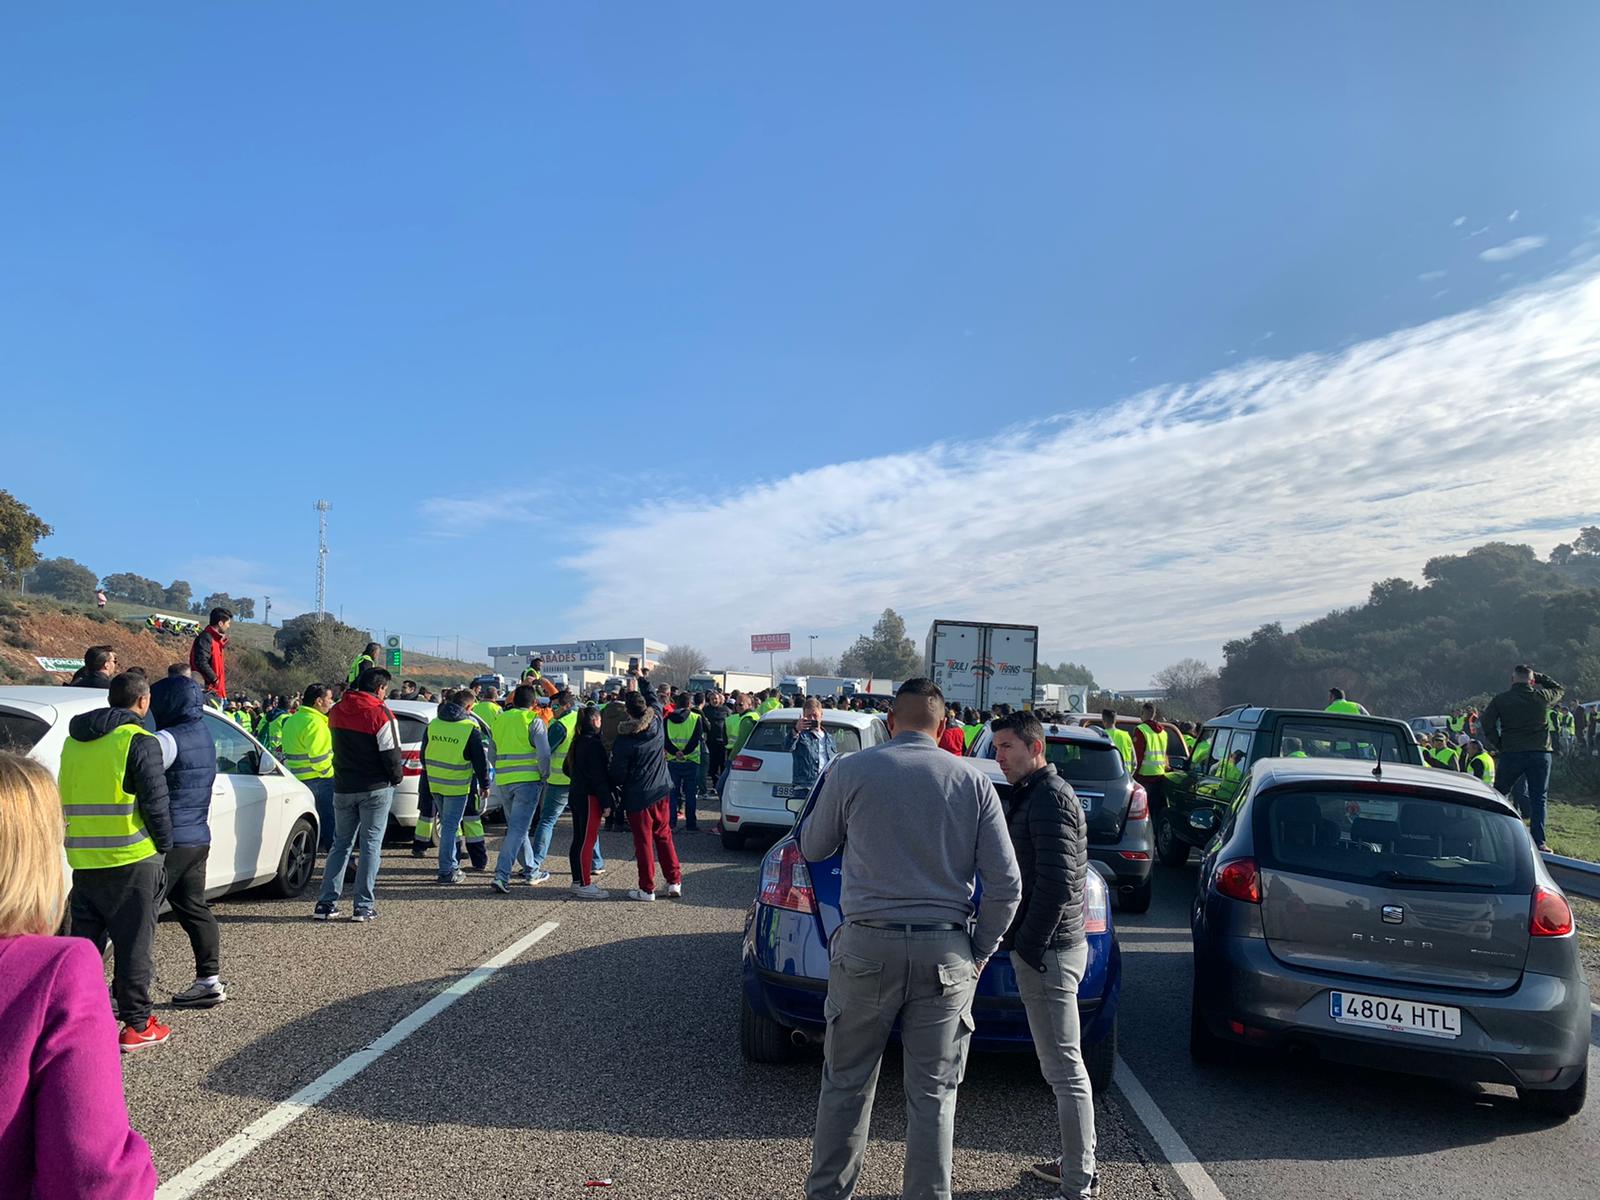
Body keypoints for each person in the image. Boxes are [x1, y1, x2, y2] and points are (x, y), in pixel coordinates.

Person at [798, 678, 1021, 1200]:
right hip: (944, 952)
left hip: (866, 945)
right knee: (934, 1096)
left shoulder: (850, 770)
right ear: (944, 727)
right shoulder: (972, 782)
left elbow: (812, 846)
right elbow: (1008, 884)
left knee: (846, 1085)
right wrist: (979, 949)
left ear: (890, 722)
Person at [0, 752, 159, 1196]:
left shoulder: (77, 744)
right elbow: (91, 1176)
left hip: (98, 868)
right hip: (133, 858)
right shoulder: (56, 971)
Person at [990, 711, 1097, 1198]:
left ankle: (1079, 1180)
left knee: (1064, 1070)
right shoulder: (1034, 795)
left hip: (1050, 952)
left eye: (1007, 746)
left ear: (1035, 748)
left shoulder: (1049, 798)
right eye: (996, 748)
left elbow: (1057, 884)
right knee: (1059, 1068)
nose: (1000, 756)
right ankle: (1075, 1164)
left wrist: (1028, 947)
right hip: (1047, 949)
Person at [59, 671, 174, 1051]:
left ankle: (75, 1016)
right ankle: (137, 1023)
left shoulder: (74, 742)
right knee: (133, 945)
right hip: (132, 858)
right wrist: (165, 846)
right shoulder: (139, 740)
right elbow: (156, 803)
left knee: (84, 946)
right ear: (143, 702)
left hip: (85, 858)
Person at [149, 671, 226, 1009]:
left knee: (142, 915)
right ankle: (209, 981)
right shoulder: (203, 734)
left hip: (170, 840)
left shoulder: (167, 739)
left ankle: (127, 991)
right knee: (194, 908)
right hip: (197, 836)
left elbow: (145, 781)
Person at [313, 668, 403, 921]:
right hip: (375, 787)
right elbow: (391, 754)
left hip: (343, 786)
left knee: (340, 844)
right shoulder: (381, 713)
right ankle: (363, 905)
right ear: (380, 689)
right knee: (370, 845)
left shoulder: (337, 709)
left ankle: (326, 902)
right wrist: (395, 779)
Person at [609, 668, 682, 901]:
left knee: (643, 843)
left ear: (628, 713)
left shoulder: (625, 740)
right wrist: (641, 677)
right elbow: (653, 697)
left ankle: (647, 888)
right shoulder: (658, 721)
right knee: (664, 836)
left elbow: (617, 774)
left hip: (638, 796)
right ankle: (674, 881)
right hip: (661, 789)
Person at [1479, 665, 1564, 852]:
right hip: (1539, 752)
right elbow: (1559, 689)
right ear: (1532, 681)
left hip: (1512, 752)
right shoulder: (1541, 697)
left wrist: (1499, 743)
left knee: (1500, 794)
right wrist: (1540, 677)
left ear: (1512, 680)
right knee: (1538, 798)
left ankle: (1497, 836)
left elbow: (1486, 722)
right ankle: (1539, 842)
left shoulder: (1501, 700)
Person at [417, 689, 490, 884]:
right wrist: (485, 785)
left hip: (435, 784)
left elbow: (423, 756)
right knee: (450, 828)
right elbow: (480, 763)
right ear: (468, 707)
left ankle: (451, 867)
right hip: (457, 786)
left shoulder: (433, 725)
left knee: (450, 826)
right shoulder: (469, 729)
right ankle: (446, 871)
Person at [563, 705, 612, 898]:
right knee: (587, 841)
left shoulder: (578, 741)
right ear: (595, 721)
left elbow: (566, 768)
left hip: (576, 793)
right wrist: (607, 802)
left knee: (579, 839)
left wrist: (578, 777)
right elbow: (598, 776)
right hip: (589, 797)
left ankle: (578, 879)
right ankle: (583, 883)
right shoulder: (594, 744)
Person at [282, 684, 337, 850]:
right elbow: (319, 760)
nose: (331, 702)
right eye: (329, 699)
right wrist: (330, 775)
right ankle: (337, 856)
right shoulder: (316, 724)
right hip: (318, 779)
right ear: (319, 701)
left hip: (296, 778)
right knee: (330, 821)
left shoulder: (293, 720)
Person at [664, 698, 703, 830]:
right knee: (690, 794)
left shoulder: (667, 719)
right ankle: (691, 824)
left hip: (673, 759)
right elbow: (696, 738)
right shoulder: (696, 717)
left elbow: (665, 740)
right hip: (691, 759)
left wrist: (675, 752)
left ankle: (671, 822)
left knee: (672, 794)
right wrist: (685, 752)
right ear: (689, 704)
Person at [786, 696, 835, 794]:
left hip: (825, 787)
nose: (812, 718)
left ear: (821, 715)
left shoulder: (829, 738)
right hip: (804, 788)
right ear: (803, 715)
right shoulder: (800, 735)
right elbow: (787, 746)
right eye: (808, 716)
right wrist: (796, 730)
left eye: (815, 715)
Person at [1130, 703, 1171, 819]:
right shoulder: (1164, 732)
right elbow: (1164, 754)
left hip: (1144, 777)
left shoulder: (1141, 730)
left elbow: (1138, 756)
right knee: (1155, 811)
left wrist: (1133, 775)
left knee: (1142, 812)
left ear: (1143, 713)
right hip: (1160, 775)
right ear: (1154, 714)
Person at [188, 607, 232, 701]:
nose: (228, 626)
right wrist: (215, 679)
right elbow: (201, 661)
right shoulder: (206, 638)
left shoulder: (217, 641)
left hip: (216, 691)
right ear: (220, 623)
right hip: (209, 692)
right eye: (228, 623)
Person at [702, 689, 731, 794]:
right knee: (713, 765)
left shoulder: (726, 710)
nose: (714, 700)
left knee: (723, 765)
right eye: (712, 699)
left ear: (720, 700)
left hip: (723, 742)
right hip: (711, 741)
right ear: (709, 699)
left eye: (716, 699)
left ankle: (722, 785)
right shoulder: (706, 710)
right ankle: (715, 784)